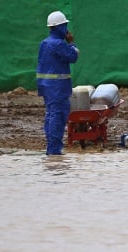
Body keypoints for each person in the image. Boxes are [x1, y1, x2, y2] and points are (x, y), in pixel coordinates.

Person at [36, 10, 79, 155]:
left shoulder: (44, 43)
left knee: (50, 115)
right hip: (57, 88)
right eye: (65, 25)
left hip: (46, 86)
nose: (67, 29)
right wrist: (71, 43)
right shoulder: (59, 44)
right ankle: (54, 151)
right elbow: (73, 57)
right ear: (60, 27)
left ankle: (51, 149)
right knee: (58, 116)